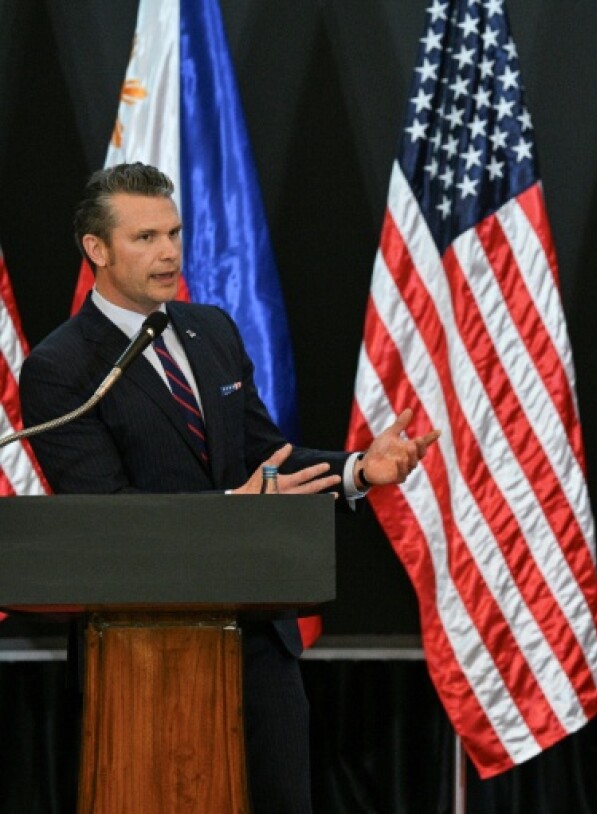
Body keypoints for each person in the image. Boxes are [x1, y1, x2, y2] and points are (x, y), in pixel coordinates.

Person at [19, 162, 441, 813]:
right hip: (141, 652)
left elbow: (266, 457)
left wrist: (360, 468)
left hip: (255, 637)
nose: (168, 252)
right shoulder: (61, 367)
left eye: (174, 233)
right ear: (96, 250)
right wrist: (229, 511)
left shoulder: (209, 330)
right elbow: (104, 516)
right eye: (145, 238)